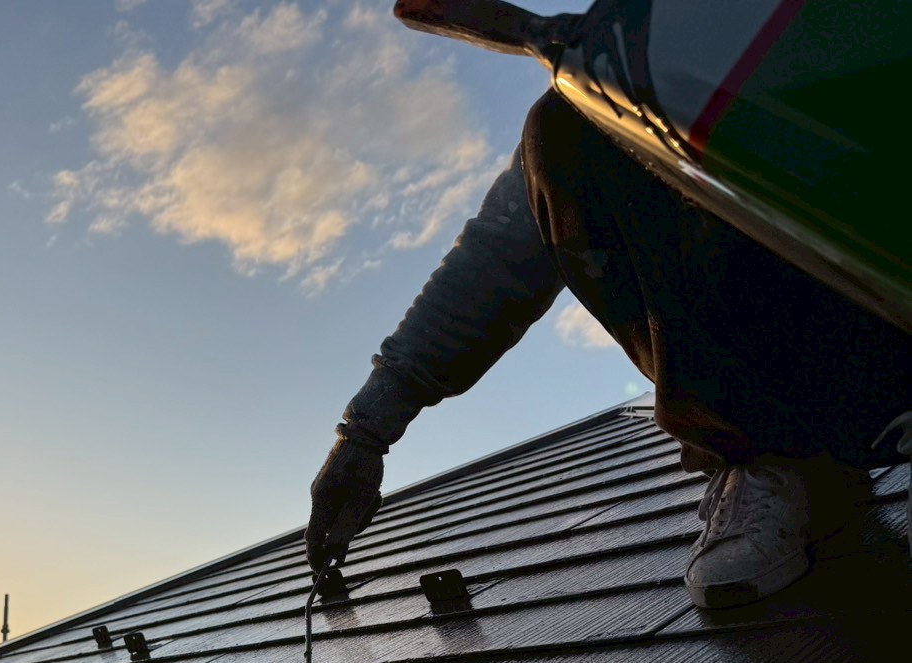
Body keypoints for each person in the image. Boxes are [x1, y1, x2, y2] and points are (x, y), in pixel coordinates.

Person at [305, 90, 912, 609]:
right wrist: (365, 431)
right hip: (813, 370)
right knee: (572, 122)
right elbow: (498, 256)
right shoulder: (620, 60)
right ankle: (771, 447)